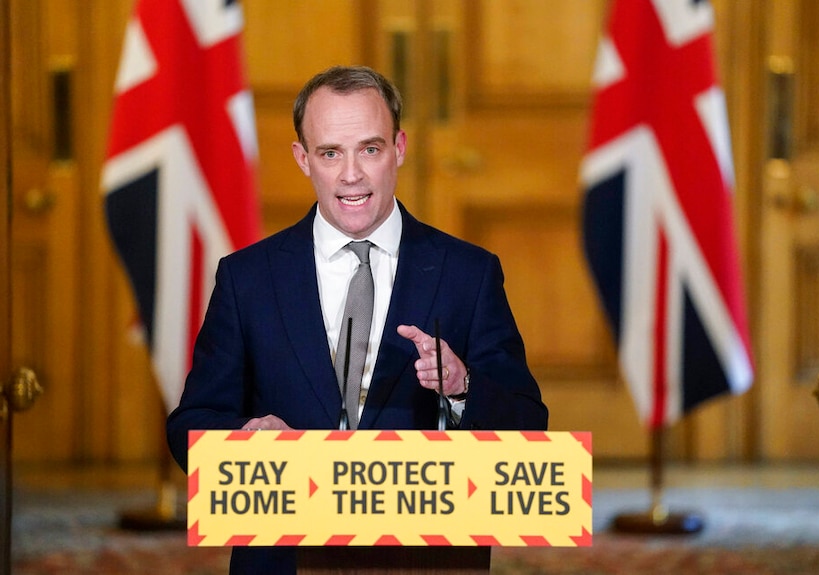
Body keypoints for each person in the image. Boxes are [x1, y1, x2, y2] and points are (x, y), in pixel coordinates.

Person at [166, 65, 548, 574]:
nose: (351, 175)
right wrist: (244, 437)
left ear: (400, 149)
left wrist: (463, 386)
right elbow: (189, 426)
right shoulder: (247, 279)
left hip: (426, 558)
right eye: (330, 153)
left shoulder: (468, 273)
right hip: (286, 555)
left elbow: (530, 427)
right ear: (303, 159)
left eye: (370, 149)